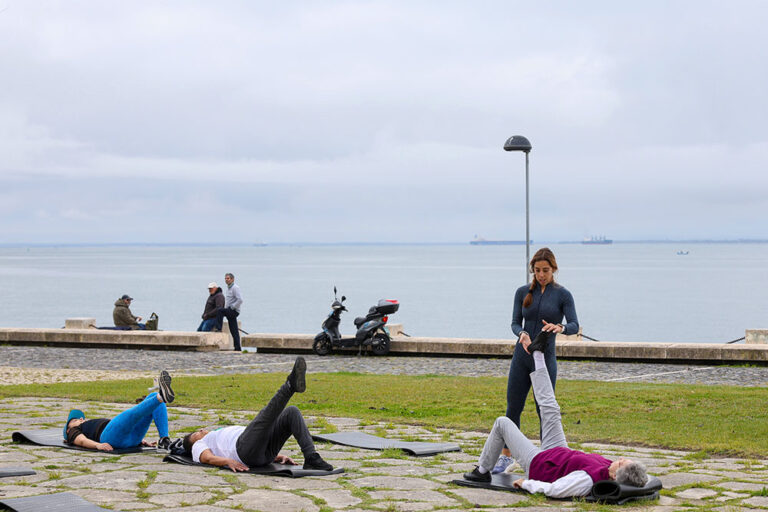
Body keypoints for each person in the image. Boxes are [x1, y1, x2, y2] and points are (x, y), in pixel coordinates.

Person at [464, 337, 648, 498]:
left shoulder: (586, 480)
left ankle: (482, 471)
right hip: (559, 452)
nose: (621, 458)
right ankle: (537, 354)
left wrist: (525, 483)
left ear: (615, 476)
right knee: (551, 408)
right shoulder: (610, 468)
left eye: (622, 462)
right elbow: (642, 480)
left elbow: (555, 489)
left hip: (540, 463)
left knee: (502, 423)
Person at [493, 248, 579, 474]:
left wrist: (559, 327)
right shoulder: (522, 292)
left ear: (554, 270)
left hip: (545, 358)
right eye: (538, 270)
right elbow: (514, 322)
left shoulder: (563, 295)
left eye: (546, 271)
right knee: (514, 406)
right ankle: (506, 456)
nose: (542, 275)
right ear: (533, 270)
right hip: (521, 356)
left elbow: (574, 325)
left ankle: (548, 456)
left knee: (545, 410)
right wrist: (520, 333)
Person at [182, 357, 333, 472]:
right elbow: (207, 458)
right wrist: (227, 462)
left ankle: (311, 457)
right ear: (193, 443)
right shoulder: (199, 445)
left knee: (291, 412)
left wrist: (277, 457)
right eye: (196, 433)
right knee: (265, 418)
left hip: (262, 453)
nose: (201, 430)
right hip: (243, 450)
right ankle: (289, 386)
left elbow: (255, 442)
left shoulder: (215, 436)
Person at [64, 370, 175, 451]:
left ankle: (164, 440)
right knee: (132, 414)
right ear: (68, 430)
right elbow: (82, 441)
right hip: (110, 438)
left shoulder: (86, 424)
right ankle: (161, 397)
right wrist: (97, 445)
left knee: (153, 396)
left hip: (132, 438)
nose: (80, 420)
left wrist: (142, 442)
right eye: (73, 421)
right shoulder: (73, 432)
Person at [216, 272, 244, 351]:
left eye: (228, 278)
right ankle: (237, 347)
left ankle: (218, 328)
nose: (226, 280)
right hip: (229, 310)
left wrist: (232, 307)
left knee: (220, 311)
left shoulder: (235, 288)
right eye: (225, 278)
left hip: (233, 311)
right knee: (234, 330)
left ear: (232, 279)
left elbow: (240, 300)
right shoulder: (229, 288)